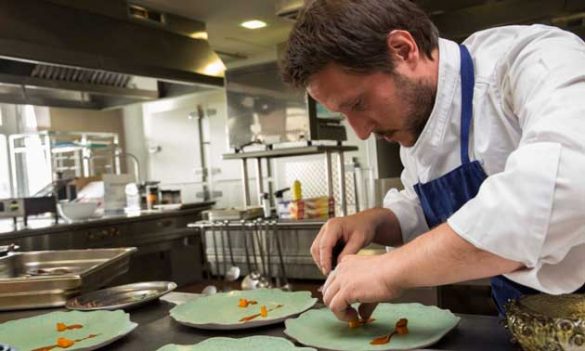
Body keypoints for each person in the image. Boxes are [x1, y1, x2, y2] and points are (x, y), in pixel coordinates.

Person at [280, 0, 585, 323]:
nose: (361, 130)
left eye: (359, 103)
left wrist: (389, 271)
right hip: (525, 325)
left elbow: (566, 188)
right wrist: (375, 222)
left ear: (402, 49)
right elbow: (427, 208)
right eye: (345, 115)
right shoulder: (418, 123)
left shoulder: (536, 57)